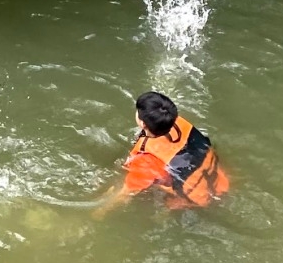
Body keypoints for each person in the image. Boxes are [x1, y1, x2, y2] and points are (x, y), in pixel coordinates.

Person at [95, 90, 230, 212]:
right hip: (221, 183)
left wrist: (99, 212)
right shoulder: (179, 123)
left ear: (142, 124)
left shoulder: (147, 158)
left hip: (197, 200)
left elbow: (126, 194)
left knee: (150, 200)